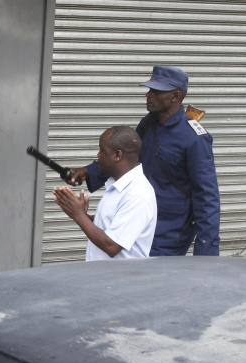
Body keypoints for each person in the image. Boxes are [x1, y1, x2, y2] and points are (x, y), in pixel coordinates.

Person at [68, 66, 220, 256]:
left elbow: (207, 198)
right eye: (149, 90)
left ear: (176, 96)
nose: (149, 95)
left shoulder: (194, 138)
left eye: (157, 91)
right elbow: (125, 158)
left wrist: (206, 254)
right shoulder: (148, 124)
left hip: (168, 235)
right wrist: (87, 172)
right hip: (136, 225)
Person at [54, 126, 156, 260]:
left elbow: (112, 246)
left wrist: (78, 215)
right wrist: (83, 215)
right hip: (103, 276)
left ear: (117, 155)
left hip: (120, 279)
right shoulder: (117, 186)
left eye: (102, 150)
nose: (98, 155)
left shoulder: (138, 194)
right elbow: (109, 228)